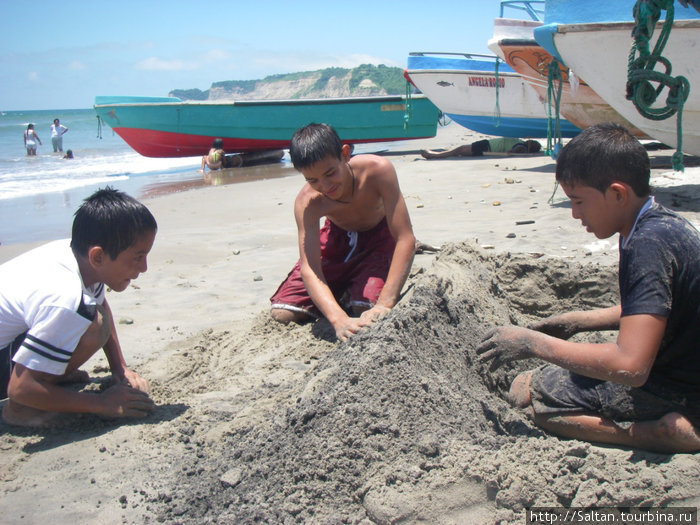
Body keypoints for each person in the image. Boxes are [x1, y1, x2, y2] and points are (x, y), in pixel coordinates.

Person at [477, 123, 700, 454]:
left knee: (527, 393)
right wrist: (579, 320)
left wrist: (533, 343)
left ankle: (656, 432)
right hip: (688, 368)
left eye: (578, 201)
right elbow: (660, 307)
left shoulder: (647, 246)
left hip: (676, 387)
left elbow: (631, 366)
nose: (574, 213)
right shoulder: (664, 223)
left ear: (617, 193)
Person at [0, 187, 157, 427]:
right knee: (92, 323)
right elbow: (19, 387)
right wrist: (103, 404)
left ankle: (47, 377)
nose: (144, 267)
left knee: (96, 315)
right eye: (138, 257)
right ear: (98, 257)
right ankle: (22, 411)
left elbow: (100, 301)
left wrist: (120, 368)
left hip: (8, 339)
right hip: (13, 375)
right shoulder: (65, 298)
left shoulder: (77, 256)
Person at [270, 123, 416, 342]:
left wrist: (385, 304)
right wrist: (338, 320)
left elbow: (405, 238)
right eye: (312, 179)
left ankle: (356, 287)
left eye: (330, 173)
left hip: (379, 235)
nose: (325, 186)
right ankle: (344, 288)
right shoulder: (308, 202)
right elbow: (310, 269)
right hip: (338, 238)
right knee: (282, 312)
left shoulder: (377, 170)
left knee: (366, 308)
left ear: (345, 154)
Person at [420, 137, 541, 159]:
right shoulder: (520, 142)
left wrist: (515, 151)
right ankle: (438, 154)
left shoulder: (521, 146)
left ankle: (435, 155)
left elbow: (517, 150)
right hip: (487, 144)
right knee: (460, 151)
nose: (531, 140)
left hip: (487, 147)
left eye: (533, 142)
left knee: (460, 150)